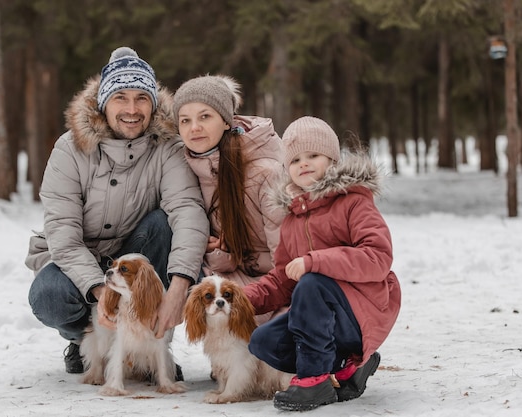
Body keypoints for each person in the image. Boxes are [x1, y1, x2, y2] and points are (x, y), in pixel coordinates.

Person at [25, 47, 209, 375]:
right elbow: (63, 235)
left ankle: (153, 347)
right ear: (103, 103)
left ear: (153, 103)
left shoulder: (167, 147)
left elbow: (188, 211)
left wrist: (181, 285)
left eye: (141, 97)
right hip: (80, 258)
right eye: (120, 97)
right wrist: (100, 290)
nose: (132, 109)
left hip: (136, 252)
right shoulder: (69, 149)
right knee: (49, 295)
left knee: (163, 224)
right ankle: (87, 340)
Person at [243, 116, 401, 411]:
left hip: (363, 308)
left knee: (313, 283)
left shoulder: (353, 201)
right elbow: (283, 278)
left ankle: (314, 380)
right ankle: (345, 368)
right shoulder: (292, 219)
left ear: (332, 159)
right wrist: (243, 300)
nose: (304, 164)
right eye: (295, 160)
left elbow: (377, 257)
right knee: (263, 341)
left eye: (313, 156)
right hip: (319, 314)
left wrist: (314, 261)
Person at [172, 75, 286, 302]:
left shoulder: (264, 173)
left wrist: (237, 256)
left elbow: (286, 261)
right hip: (225, 282)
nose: (194, 128)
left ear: (226, 121)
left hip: (273, 290)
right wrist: (219, 252)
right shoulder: (185, 169)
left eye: (205, 116)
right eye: (185, 121)